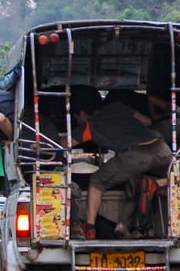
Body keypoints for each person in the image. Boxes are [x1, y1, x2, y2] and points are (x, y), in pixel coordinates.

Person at [65, 86, 172, 239]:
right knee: (178, 178)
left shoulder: (90, 126)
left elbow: (65, 144)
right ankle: (157, 184)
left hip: (136, 155)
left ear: (82, 114)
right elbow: (147, 121)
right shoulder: (117, 107)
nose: (78, 121)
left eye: (77, 118)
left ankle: (89, 229)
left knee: (97, 180)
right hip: (161, 148)